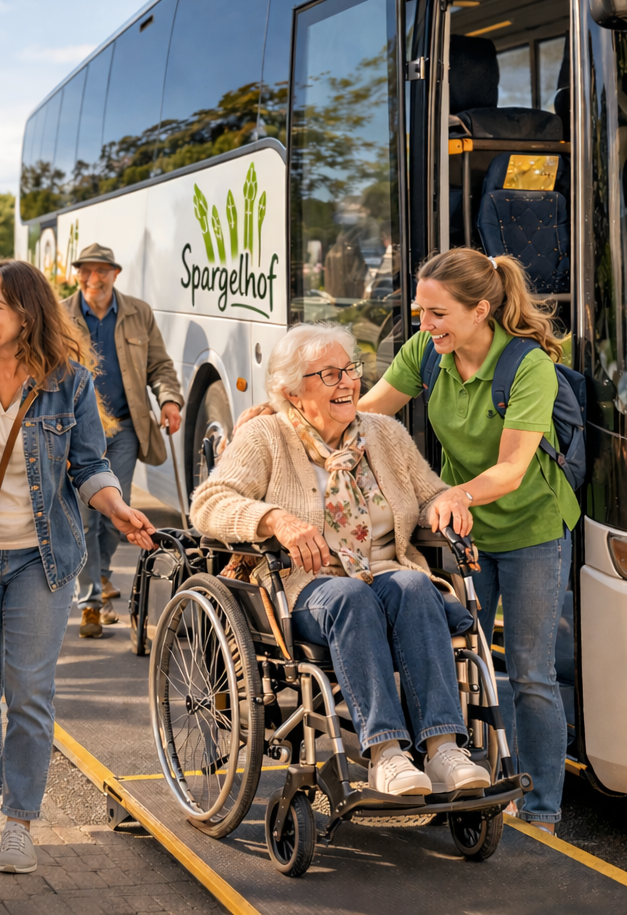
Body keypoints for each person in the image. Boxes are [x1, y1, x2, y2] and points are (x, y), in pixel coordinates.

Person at [191, 322, 493, 798]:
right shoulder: (266, 436)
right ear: (292, 390)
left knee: (416, 586)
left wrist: (445, 503)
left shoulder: (383, 434)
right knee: (352, 596)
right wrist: (275, 520)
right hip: (307, 587)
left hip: (388, 575)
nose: (348, 383)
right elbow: (208, 503)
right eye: (329, 375)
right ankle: (386, 755)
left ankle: (442, 748)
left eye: (349, 370)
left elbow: (430, 491)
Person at [0, 260, 155, 874]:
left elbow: (88, 464)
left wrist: (117, 508)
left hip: (42, 558)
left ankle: (21, 819)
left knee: (29, 690)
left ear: (27, 313)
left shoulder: (70, 382)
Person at [359, 249, 578, 833]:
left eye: (436, 313)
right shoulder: (427, 355)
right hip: (467, 531)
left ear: (480, 310)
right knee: (460, 659)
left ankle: (540, 808)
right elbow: (363, 416)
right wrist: (286, 419)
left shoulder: (528, 366)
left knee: (531, 673)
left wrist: (455, 495)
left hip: (532, 527)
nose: (424, 324)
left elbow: (510, 470)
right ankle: (465, 783)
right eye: (419, 311)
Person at [60, 243, 184, 638]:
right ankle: (92, 603)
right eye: (86, 271)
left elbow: (160, 365)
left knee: (117, 516)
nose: (93, 279)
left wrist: (169, 399)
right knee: (85, 515)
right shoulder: (60, 315)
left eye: (101, 271)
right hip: (77, 431)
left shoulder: (138, 313)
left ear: (115, 274)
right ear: (77, 274)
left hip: (125, 428)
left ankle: (100, 573)